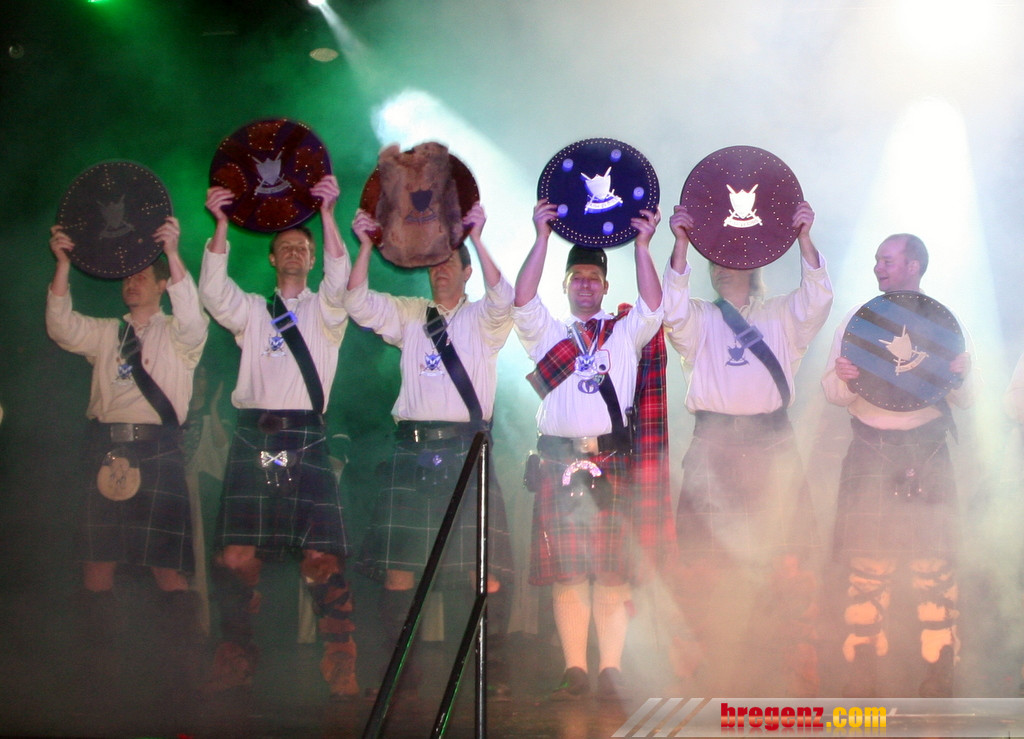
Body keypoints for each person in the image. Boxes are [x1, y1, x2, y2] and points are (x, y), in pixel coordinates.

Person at [661, 202, 832, 696]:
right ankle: (713, 666)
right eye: (713, 261)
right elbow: (671, 308)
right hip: (712, 444)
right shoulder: (699, 317)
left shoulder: (782, 314)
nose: (718, 267)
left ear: (752, 267)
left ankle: (778, 664)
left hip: (771, 444)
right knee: (706, 562)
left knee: (783, 559)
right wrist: (681, 243)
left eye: (728, 260)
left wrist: (803, 237)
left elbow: (818, 299)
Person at [347, 202, 516, 697]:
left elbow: (505, 297)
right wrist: (364, 245)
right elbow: (356, 301)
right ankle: (402, 675)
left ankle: (488, 672)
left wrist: (477, 238)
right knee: (400, 570)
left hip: (468, 451)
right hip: (412, 451)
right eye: (434, 264)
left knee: (483, 572)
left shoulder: (484, 320)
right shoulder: (409, 315)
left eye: (450, 263)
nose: (440, 270)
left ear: (466, 272)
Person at [199, 175, 358, 700]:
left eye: (302, 248)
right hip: (254, 437)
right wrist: (221, 223)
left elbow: (341, 277)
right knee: (235, 558)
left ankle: (340, 664)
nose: (293, 252)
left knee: (320, 559)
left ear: (311, 260)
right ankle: (235, 660)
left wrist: (328, 215)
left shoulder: (327, 312)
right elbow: (212, 293)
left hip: (306, 436)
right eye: (285, 246)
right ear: (271, 259)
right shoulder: (250, 310)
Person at [45, 217, 209, 695]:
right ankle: (96, 678)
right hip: (106, 451)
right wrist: (62, 265)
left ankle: (181, 679)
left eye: (141, 276)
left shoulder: (181, 336)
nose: (131, 284)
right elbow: (60, 327)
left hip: (159, 450)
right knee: (97, 563)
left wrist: (173, 254)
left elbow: (194, 316)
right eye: (126, 278)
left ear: (161, 285)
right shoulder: (105, 334)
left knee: (167, 567)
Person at [512, 199, 666, 701]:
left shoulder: (622, 332)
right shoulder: (548, 333)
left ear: (604, 285)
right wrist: (541, 237)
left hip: (611, 460)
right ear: (564, 285)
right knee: (570, 569)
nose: (584, 285)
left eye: (593, 278)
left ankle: (611, 669)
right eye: (576, 278)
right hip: (557, 461)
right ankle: (575, 669)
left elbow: (654, 307)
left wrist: (642, 246)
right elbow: (521, 299)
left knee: (611, 571)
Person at [822, 233, 973, 697]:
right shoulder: (858, 319)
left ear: (914, 265)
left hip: (927, 451)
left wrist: (961, 376)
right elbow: (833, 393)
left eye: (886, 260)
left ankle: (940, 669)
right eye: (876, 260)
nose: (878, 267)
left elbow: (969, 399)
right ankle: (863, 669)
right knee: (869, 565)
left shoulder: (943, 321)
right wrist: (843, 378)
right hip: (871, 447)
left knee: (934, 566)